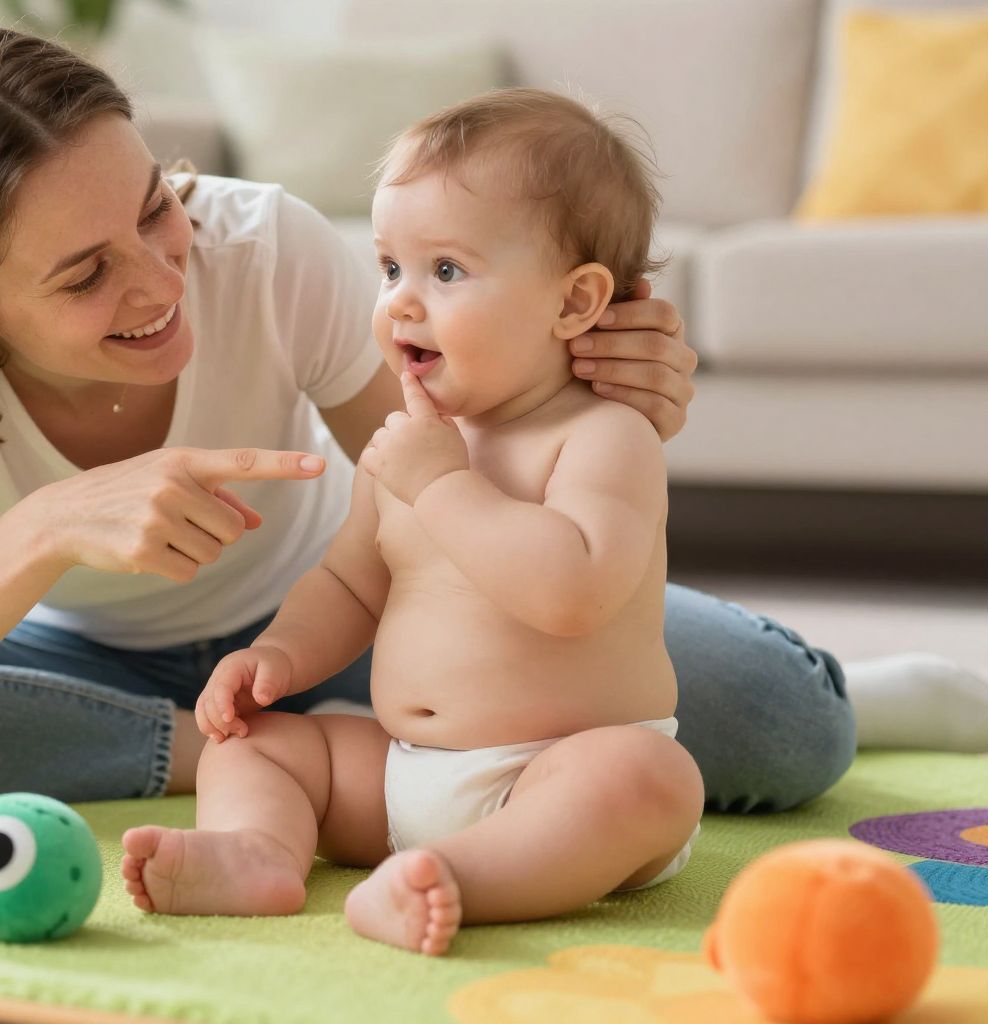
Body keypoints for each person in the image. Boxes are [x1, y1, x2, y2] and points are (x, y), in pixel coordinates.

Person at [0, 22, 988, 815]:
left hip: (363, 632)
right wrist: (47, 529)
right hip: (89, 665)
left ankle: (849, 686)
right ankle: (245, 756)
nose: (164, 276)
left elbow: (441, 471)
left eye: (154, 206)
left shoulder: (263, 244)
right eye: (84, 273)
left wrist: (601, 400)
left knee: (781, 727)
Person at [121, 89, 704, 955]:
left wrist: (442, 488)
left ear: (575, 302)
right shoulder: (411, 445)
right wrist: (276, 657)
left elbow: (572, 593)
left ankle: (461, 880)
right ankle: (259, 854)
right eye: (390, 267)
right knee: (257, 746)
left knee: (648, 781)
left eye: (447, 271)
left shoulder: (602, 436)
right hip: (402, 775)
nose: (399, 301)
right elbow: (352, 581)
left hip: (554, 775)